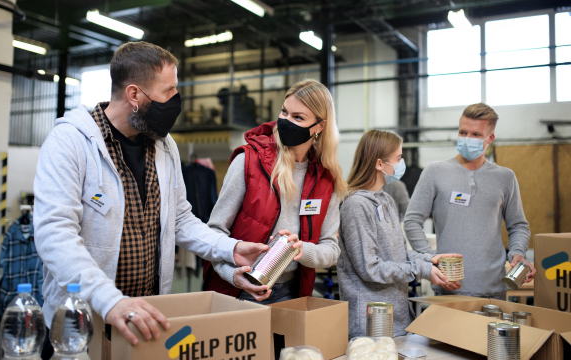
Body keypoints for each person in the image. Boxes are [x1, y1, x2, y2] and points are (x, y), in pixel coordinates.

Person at [33, 42, 267, 352]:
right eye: (168, 91)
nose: (176, 100)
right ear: (134, 95)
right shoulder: (70, 142)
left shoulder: (163, 144)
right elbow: (55, 235)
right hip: (83, 325)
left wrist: (230, 249)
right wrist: (110, 300)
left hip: (145, 322)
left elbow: (181, 219)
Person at [203, 79, 347, 303]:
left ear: (320, 126)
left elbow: (330, 249)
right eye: (284, 112)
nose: (286, 122)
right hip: (240, 289)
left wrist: (302, 250)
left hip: (293, 290)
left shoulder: (327, 180)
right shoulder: (248, 162)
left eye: (298, 117)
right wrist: (232, 275)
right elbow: (213, 234)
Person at [404, 103, 535, 300]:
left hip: (494, 289)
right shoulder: (435, 172)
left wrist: (517, 253)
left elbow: (518, 225)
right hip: (449, 287)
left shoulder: (505, 177)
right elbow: (412, 221)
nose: (467, 139)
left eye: (475, 135)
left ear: (490, 138)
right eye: (463, 132)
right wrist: (430, 258)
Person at [338, 130, 460, 338]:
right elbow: (370, 268)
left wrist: (430, 260)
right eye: (398, 158)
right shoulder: (356, 206)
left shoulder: (386, 200)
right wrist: (421, 270)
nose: (401, 163)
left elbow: (400, 253)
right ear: (379, 164)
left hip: (397, 314)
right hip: (370, 321)